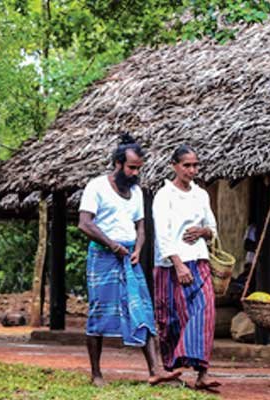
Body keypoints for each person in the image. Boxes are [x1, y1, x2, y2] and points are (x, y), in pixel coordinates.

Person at [76, 133, 182, 387]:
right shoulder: (97, 186)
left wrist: (137, 248)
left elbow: (141, 227)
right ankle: (96, 374)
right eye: (132, 167)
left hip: (128, 258)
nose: (135, 173)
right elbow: (84, 223)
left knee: (142, 307)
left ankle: (156, 370)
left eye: (138, 168)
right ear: (118, 163)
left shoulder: (135, 193)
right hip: (103, 256)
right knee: (99, 311)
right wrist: (111, 245)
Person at [152, 145, 219, 391]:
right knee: (170, 318)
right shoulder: (164, 195)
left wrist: (203, 231)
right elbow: (162, 234)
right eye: (187, 165)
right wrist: (178, 264)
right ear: (175, 166)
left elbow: (213, 229)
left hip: (199, 259)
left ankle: (203, 373)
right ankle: (170, 370)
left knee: (206, 312)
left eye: (195, 165)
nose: (192, 170)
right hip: (171, 264)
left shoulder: (201, 195)